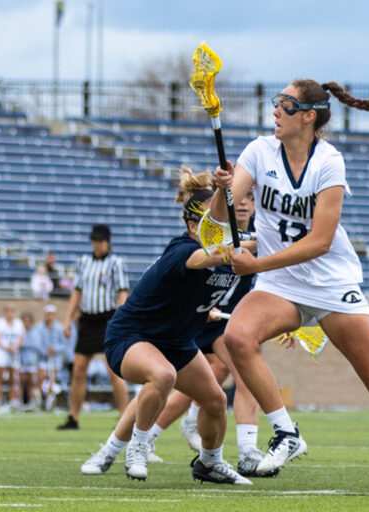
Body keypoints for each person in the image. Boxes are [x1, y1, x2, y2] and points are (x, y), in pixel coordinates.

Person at [209, 56, 369, 495]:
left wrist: (255, 266)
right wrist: (220, 189)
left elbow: (320, 242)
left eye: (285, 104)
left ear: (308, 116)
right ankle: (286, 433)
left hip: (329, 282)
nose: (276, 110)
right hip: (281, 284)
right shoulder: (257, 151)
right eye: (277, 102)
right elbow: (221, 219)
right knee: (237, 337)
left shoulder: (329, 162)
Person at [79, 168, 257, 485]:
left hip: (176, 341)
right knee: (161, 375)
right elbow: (207, 258)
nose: (220, 229)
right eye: (211, 224)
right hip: (131, 335)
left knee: (215, 401)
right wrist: (258, 243)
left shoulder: (235, 255)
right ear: (193, 226)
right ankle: (138, 446)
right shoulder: (183, 250)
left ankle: (209, 463)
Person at [58, 223, 130, 430]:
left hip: (107, 319)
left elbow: (122, 293)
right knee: (78, 369)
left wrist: (120, 319)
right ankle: (73, 417)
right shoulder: (83, 262)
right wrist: (67, 319)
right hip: (87, 320)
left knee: (113, 370)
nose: (97, 245)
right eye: (94, 240)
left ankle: (124, 416)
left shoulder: (116, 263)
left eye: (100, 241)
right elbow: (77, 292)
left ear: (107, 242)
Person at [0, 304, 25, 411]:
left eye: (11, 311)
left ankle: (12, 402)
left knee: (12, 379)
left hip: (13, 353)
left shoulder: (18, 324)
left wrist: (14, 347)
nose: (9, 313)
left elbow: (21, 339)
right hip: (2, 353)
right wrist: (7, 347)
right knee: (0, 379)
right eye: (7, 311)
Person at [35, 304, 68, 410]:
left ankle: (49, 400)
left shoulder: (58, 328)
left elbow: (63, 344)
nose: (50, 316)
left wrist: (54, 349)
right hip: (43, 358)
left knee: (52, 379)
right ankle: (40, 400)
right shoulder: (39, 327)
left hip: (55, 358)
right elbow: (38, 344)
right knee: (40, 377)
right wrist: (46, 351)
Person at [18, 312, 42, 410]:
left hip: (32, 360)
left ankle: (33, 402)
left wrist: (23, 344)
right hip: (21, 360)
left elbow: (35, 345)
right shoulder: (20, 332)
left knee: (32, 382)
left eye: (28, 321)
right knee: (21, 382)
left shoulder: (35, 332)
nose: (26, 323)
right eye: (25, 321)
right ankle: (20, 402)